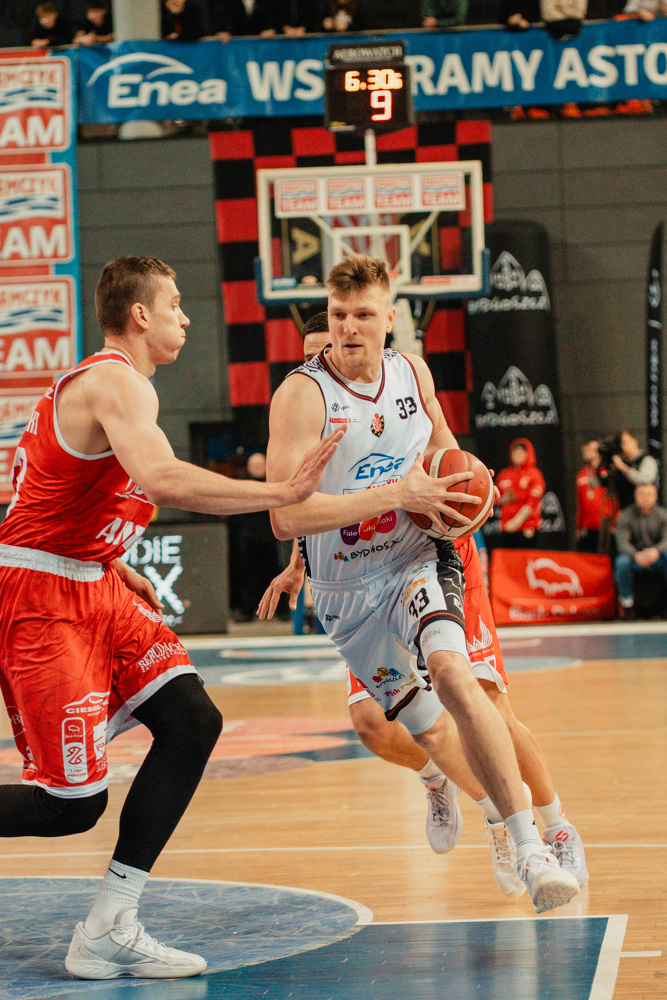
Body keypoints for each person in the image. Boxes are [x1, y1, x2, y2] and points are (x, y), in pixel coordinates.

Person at [0, 256, 343, 981]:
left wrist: (104, 555)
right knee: (69, 807)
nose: (185, 317)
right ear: (140, 315)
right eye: (175, 303)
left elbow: (64, 493)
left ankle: (110, 925)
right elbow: (162, 479)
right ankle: (107, 927)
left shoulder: (120, 387)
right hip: (43, 599)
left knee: (191, 720)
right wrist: (281, 492)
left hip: (88, 579)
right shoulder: (115, 381)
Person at [266, 255, 581, 913]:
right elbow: (285, 515)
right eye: (338, 315)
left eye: (362, 315)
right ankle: (466, 796)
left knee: (456, 676)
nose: (347, 328)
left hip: (417, 556)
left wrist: (472, 487)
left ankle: (536, 843)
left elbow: (443, 452)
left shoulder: (412, 374)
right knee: (411, 730)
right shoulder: (300, 395)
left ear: (390, 319)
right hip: (347, 592)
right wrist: (385, 499)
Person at [231, 452, 284, 623]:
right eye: (254, 466)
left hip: (270, 538)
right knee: (247, 577)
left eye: (260, 465)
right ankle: (247, 611)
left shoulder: (273, 484)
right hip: (248, 538)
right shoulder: (243, 486)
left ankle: (282, 610)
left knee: (275, 574)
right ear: (248, 467)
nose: (257, 469)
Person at [613, 483, 667, 618]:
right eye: (642, 494)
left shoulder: (662, 515)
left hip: (657, 557)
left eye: (649, 494)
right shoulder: (625, 515)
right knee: (622, 562)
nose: (645, 498)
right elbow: (622, 543)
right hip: (635, 558)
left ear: (655, 496)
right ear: (635, 496)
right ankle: (627, 604)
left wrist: (656, 551)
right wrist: (636, 555)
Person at [496, 438, 545, 547]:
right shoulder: (504, 474)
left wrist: (515, 523)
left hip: (527, 528)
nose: (517, 454)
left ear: (528, 454)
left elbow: (532, 503)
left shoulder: (534, 474)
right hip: (506, 528)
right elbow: (496, 499)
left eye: (521, 451)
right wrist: (505, 499)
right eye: (515, 451)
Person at [575, 438, 616, 553]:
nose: (588, 453)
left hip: (606, 526)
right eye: (586, 450)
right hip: (588, 527)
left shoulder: (607, 471)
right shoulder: (582, 474)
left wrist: (614, 522)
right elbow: (581, 503)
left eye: (592, 449)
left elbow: (615, 498)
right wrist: (579, 526)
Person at [610, 429, 659, 512]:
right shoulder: (621, 462)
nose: (623, 446)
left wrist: (623, 468)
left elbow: (646, 480)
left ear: (635, 442)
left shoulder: (647, 459)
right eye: (620, 443)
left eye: (625, 442)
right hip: (624, 509)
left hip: (643, 510)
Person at [213, 0, 277, 39]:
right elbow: (224, 19)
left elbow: (271, 21)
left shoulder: (265, 2)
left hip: (260, 46)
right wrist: (224, 31)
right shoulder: (228, 3)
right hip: (236, 47)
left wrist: (270, 29)